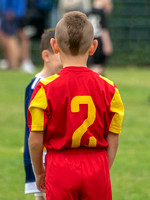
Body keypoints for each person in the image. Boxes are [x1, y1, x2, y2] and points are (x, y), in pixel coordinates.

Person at [28, 11, 124, 200]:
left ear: (54, 46)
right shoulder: (110, 89)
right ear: (93, 46)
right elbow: (113, 138)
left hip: (60, 165)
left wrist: (39, 172)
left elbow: (35, 140)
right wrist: (104, 168)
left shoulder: (44, 89)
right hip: (96, 164)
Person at [24, 28, 62, 200]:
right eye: (61, 55)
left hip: (54, 157)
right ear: (46, 56)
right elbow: (34, 131)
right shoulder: (36, 87)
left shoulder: (58, 83)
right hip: (42, 156)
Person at [0, 0, 36, 73]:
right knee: (18, 37)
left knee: (10, 39)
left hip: (12, 13)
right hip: (20, 12)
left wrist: (7, 10)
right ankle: (17, 63)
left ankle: (14, 64)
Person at [87, 0, 113, 75]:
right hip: (99, 43)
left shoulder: (89, 12)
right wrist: (108, 45)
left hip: (89, 42)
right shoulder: (101, 13)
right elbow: (104, 31)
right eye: (109, 4)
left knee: (93, 66)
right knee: (99, 68)